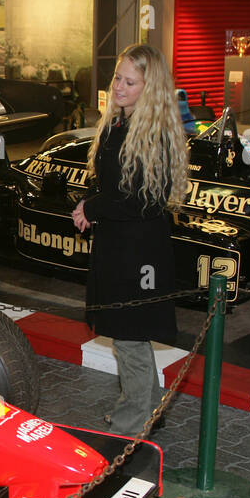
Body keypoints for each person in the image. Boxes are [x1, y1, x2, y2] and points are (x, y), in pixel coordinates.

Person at [71, 44, 189, 437]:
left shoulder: (153, 134)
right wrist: (87, 203)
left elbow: (143, 199)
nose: (118, 87)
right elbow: (108, 184)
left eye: (129, 81)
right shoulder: (119, 123)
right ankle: (143, 410)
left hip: (139, 253)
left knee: (131, 338)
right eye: (117, 78)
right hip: (116, 246)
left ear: (148, 88)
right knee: (126, 339)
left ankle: (132, 426)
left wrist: (93, 207)